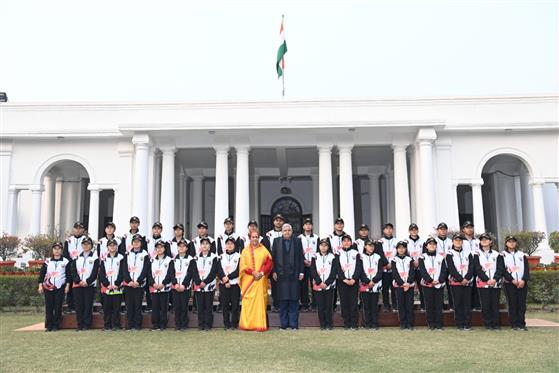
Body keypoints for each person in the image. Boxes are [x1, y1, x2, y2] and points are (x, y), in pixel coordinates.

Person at [272, 223, 305, 330]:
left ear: (292, 231)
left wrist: (301, 272)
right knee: (283, 301)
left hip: (294, 275)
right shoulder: (276, 242)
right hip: (281, 276)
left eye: (289, 230)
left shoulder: (297, 241)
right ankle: (284, 325)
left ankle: (294, 325)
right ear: (282, 232)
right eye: (285, 230)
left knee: (294, 301)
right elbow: (273, 258)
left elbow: (301, 257)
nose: (287, 232)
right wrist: (274, 272)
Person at [239, 230, 273, 331]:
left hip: (260, 280)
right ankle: (247, 325)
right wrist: (253, 272)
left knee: (260, 303)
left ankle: (259, 325)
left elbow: (269, 263)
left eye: (257, 237)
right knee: (248, 303)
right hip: (248, 281)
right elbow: (243, 266)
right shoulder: (245, 251)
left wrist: (261, 273)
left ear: (259, 238)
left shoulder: (264, 250)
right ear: (250, 238)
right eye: (253, 237)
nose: (255, 239)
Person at [474, 233, 505, 330]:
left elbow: (501, 268)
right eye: (482, 239)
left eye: (486, 239)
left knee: (495, 304)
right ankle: (488, 324)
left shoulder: (497, 254)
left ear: (490, 241)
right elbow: (477, 269)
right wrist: (487, 280)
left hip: (495, 283)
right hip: (483, 283)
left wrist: (495, 279)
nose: (484, 241)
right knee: (485, 304)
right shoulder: (476, 254)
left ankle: (496, 324)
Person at [38, 242, 70, 332]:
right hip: (48, 287)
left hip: (60, 287)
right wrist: (40, 285)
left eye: (59, 248)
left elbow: (68, 275)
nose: (57, 250)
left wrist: (67, 286)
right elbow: (42, 274)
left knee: (58, 306)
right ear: (52, 250)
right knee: (49, 307)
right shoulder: (47, 261)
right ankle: (49, 325)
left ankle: (56, 325)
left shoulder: (65, 261)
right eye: (55, 248)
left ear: (61, 250)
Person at [69, 237, 99, 331]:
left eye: (88, 244)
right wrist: (78, 281)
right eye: (84, 244)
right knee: (79, 306)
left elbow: (95, 272)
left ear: (91, 246)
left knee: (87, 306)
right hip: (78, 285)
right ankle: (79, 325)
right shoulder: (76, 257)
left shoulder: (95, 258)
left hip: (89, 285)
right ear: (82, 245)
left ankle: (86, 325)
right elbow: (73, 271)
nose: (86, 246)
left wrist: (87, 282)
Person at [446, 234, 475, 330]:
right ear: (453, 242)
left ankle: (467, 323)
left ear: (462, 242)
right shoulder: (449, 254)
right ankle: (459, 323)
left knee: (467, 303)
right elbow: (451, 269)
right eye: (456, 240)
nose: (458, 242)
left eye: (460, 240)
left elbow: (472, 267)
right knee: (458, 303)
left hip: (467, 282)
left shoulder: (468, 253)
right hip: (456, 282)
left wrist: (466, 278)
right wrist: (460, 279)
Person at [419, 237, 448, 330]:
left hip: (439, 284)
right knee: (429, 305)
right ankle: (431, 324)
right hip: (428, 284)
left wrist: (439, 280)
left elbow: (444, 270)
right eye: (430, 244)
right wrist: (430, 280)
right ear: (426, 246)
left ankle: (439, 324)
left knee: (438, 305)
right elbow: (422, 271)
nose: (432, 245)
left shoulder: (440, 257)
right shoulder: (422, 257)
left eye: (434, 244)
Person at [502, 235, 529, 331]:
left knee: (521, 304)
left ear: (516, 243)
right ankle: (514, 324)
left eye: (513, 241)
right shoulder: (502, 255)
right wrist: (512, 280)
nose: (511, 243)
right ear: (506, 243)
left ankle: (522, 323)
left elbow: (526, 269)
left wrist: (523, 280)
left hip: (522, 283)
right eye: (509, 241)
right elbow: (503, 270)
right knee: (512, 304)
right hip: (509, 283)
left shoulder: (522, 255)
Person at [122, 234, 150, 331]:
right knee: (129, 306)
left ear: (141, 243)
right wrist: (129, 281)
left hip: (139, 284)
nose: (136, 243)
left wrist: (138, 281)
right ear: (132, 243)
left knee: (138, 306)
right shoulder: (127, 254)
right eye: (134, 242)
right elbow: (124, 269)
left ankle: (138, 325)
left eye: (138, 242)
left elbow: (145, 269)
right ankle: (130, 325)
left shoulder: (145, 254)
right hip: (129, 284)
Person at [310, 238, 338, 330]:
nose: (323, 247)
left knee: (328, 306)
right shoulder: (315, 256)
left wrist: (326, 283)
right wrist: (319, 282)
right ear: (319, 246)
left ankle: (329, 324)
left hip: (329, 285)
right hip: (318, 285)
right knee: (320, 306)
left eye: (325, 245)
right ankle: (322, 324)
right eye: (321, 245)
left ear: (328, 247)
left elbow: (334, 271)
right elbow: (313, 270)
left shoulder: (332, 257)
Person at [337, 234, 362, 330]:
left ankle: (354, 323)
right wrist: (343, 279)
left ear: (351, 242)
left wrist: (354, 279)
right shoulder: (338, 253)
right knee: (344, 302)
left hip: (353, 281)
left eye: (348, 241)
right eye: (344, 241)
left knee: (353, 302)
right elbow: (337, 267)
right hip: (342, 282)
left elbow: (358, 267)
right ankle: (346, 323)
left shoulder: (356, 253)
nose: (346, 243)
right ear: (342, 243)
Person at [98, 238, 124, 331]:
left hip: (118, 287)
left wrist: (117, 284)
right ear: (107, 247)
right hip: (107, 287)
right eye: (110, 245)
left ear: (117, 247)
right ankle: (107, 325)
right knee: (107, 307)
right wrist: (107, 284)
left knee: (117, 307)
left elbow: (122, 272)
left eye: (114, 245)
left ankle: (116, 325)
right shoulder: (104, 259)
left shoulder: (121, 257)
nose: (112, 247)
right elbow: (101, 274)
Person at [193, 237, 218, 331]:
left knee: (208, 306)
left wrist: (205, 282)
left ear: (210, 246)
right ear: (200, 246)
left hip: (209, 286)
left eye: (207, 244)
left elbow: (213, 272)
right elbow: (194, 271)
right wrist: (199, 282)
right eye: (203, 244)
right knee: (200, 306)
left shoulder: (213, 257)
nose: (205, 245)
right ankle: (200, 324)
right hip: (198, 286)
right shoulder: (196, 257)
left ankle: (208, 324)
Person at [359, 239, 384, 330]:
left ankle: (374, 323)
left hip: (375, 284)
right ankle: (367, 323)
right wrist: (367, 281)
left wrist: (373, 281)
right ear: (365, 246)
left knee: (374, 305)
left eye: (372, 246)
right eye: (369, 245)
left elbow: (380, 271)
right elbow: (360, 271)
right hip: (364, 284)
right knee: (366, 305)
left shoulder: (378, 257)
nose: (371, 247)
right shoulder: (361, 257)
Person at [171, 239, 196, 331]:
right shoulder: (173, 259)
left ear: (186, 248)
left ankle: (184, 325)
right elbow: (171, 273)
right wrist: (175, 284)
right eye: (180, 246)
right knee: (177, 307)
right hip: (175, 287)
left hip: (185, 288)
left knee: (184, 307)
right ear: (177, 248)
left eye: (183, 246)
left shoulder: (190, 259)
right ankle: (177, 324)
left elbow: (190, 273)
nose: (181, 248)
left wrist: (184, 285)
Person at [218, 237, 241, 329]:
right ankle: (226, 324)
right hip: (223, 284)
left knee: (235, 305)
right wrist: (225, 280)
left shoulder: (239, 256)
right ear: (225, 245)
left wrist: (229, 278)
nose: (229, 245)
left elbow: (238, 270)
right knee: (225, 305)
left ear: (234, 245)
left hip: (235, 284)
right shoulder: (221, 256)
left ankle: (234, 324)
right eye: (228, 244)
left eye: (231, 244)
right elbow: (219, 269)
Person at [62, 221, 86, 312]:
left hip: (81, 266)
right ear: (73, 229)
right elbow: (65, 254)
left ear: (83, 230)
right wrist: (71, 262)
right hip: (70, 265)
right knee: (70, 285)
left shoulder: (86, 239)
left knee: (79, 285)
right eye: (76, 228)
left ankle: (79, 306)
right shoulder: (68, 240)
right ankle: (70, 305)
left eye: (80, 228)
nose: (78, 230)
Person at [392, 241, 415, 330]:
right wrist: (402, 283)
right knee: (401, 305)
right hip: (399, 286)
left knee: (409, 305)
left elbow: (412, 272)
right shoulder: (394, 260)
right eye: (399, 248)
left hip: (409, 285)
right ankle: (402, 323)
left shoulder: (410, 259)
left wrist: (408, 283)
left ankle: (409, 323)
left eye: (403, 248)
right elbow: (395, 273)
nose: (401, 249)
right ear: (397, 249)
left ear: (405, 249)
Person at [298, 218, 318, 312]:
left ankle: (315, 304)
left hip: (313, 265)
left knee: (314, 284)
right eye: (306, 224)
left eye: (310, 224)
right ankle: (304, 304)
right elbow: (298, 252)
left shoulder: (316, 238)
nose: (308, 226)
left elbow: (318, 251)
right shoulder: (299, 238)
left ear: (312, 226)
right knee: (303, 285)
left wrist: (313, 262)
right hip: (303, 265)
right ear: (303, 226)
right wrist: (303, 260)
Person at [266, 214, 285, 312]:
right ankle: (275, 304)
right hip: (273, 262)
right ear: (274, 222)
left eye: (280, 220)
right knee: (275, 285)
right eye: (277, 220)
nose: (278, 222)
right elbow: (267, 251)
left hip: (285, 263)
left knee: (284, 285)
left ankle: (283, 305)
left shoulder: (285, 232)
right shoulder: (269, 234)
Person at [461, 221, 481, 310]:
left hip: (477, 265)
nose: (469, 229)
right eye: (467, 227)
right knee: (467, 286)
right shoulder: (460, 241)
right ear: (463, 229)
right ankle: (468, 306)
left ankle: (476, 305)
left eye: (471, 227)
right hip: (466, 266)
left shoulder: (478, 241)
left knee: (477, 285)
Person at [434, 222, 453, 310]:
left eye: (444, 229)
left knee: (451, 288)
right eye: (441, 229)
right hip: (439, 268)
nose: (443, 231)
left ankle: (452, 306)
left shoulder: (451, 241)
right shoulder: (434, 241)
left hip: (449, 267)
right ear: (438, 230)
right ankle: (440, 306)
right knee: (439, 287)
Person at [379, 223, 397, 312]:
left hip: (394, 269)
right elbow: (380, 254)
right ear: (384, 230)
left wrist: (392, 265)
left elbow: (399, 253)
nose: (389, 230)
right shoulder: (380, 241)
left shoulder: (396, 241)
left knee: (394, 287)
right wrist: (386, 264)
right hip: (384, 269)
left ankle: (395, 305)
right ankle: (386, 305)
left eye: (390, 228)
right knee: (385, 288)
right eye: (387, 228)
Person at [407, 223, 425, 310]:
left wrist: (419, 262)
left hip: (420, 267)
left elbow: (425, 254)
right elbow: (404, 253)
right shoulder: (406, 241)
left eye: (415, 229)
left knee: (422, 287)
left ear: (418, 230)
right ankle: (411, 306)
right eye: (412, 230)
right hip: (410, 268)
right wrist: (412, 262)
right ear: (409, 231)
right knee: (410, 287)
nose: (414, 231)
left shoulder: (423, 241)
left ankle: (423, 306)